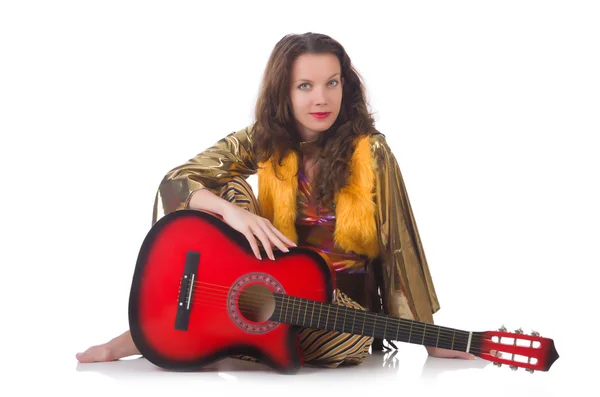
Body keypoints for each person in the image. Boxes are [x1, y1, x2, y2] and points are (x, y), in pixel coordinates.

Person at [76, 32, 476, 367]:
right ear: (283, 91)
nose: (321, 99)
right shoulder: (261, 139)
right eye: (305, 86)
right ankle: (157, 332)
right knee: (219, 191)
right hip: (271, 278)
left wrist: (430, 336)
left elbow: (399, 242)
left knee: (349, 346)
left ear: (345, 86)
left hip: (336, 307)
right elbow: (175, 182)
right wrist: (235, 215)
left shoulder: (370, 151)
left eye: (332, 83)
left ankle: (215, 336)